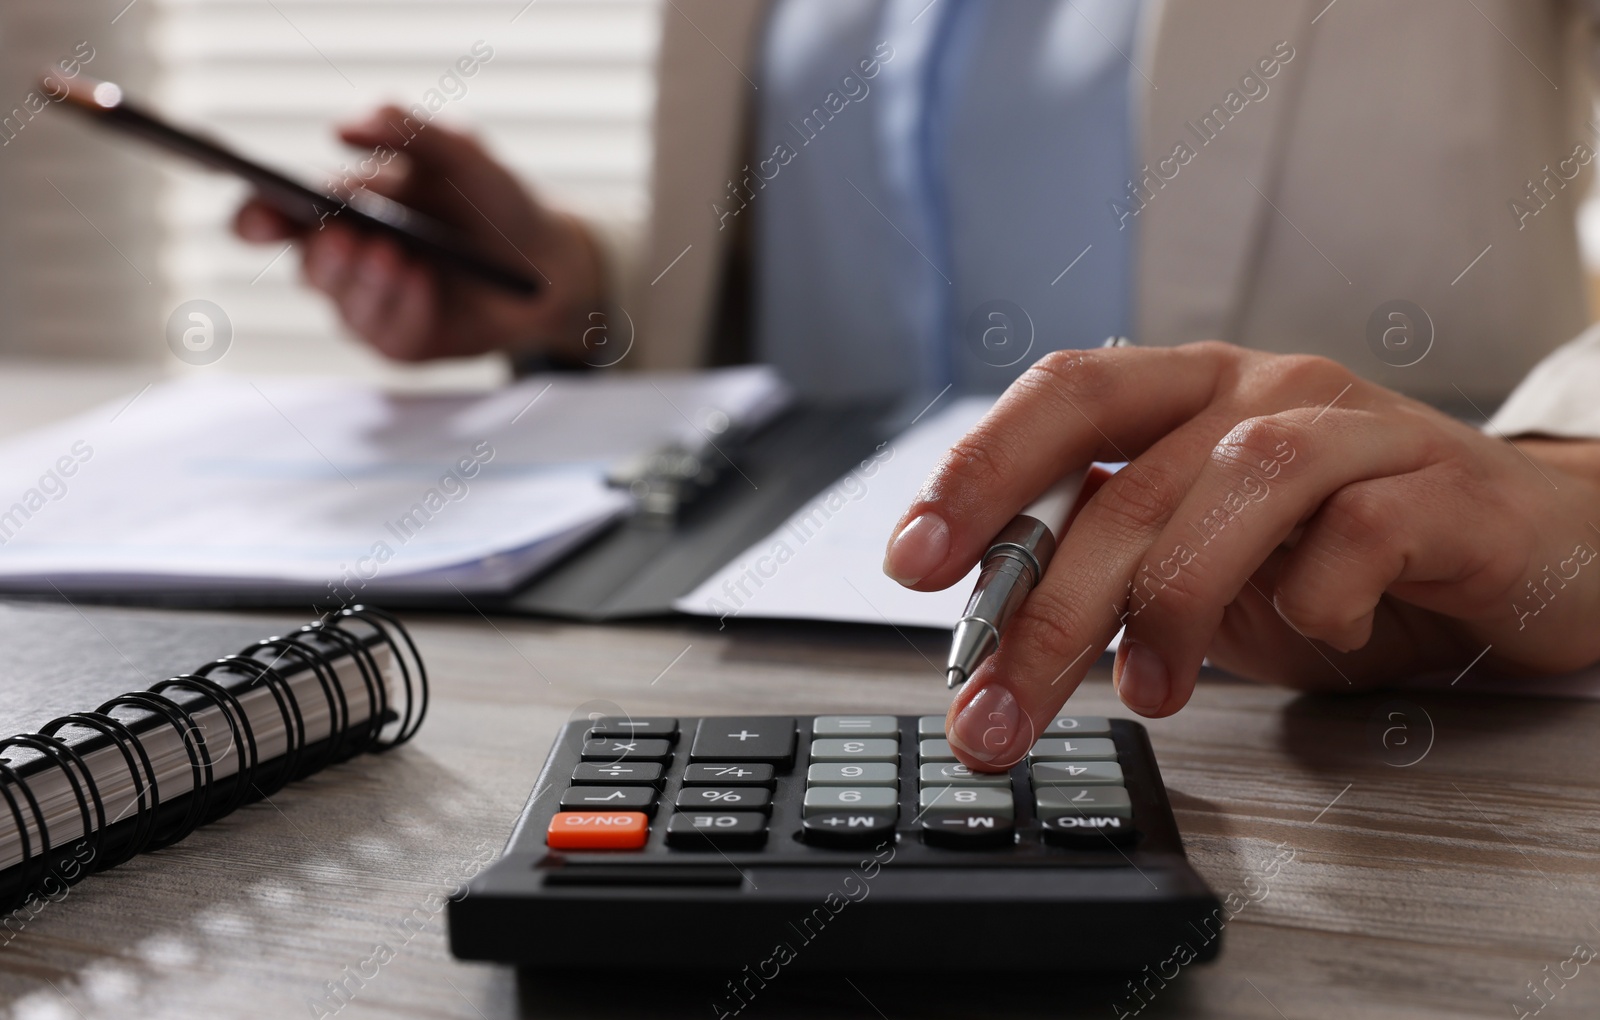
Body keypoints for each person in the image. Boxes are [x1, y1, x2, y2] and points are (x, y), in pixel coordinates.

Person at [237, 0, 1600, 769]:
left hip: (1337, 695)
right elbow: (827, 252)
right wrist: (572, 286)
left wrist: (1574, 478)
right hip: (750, 660)